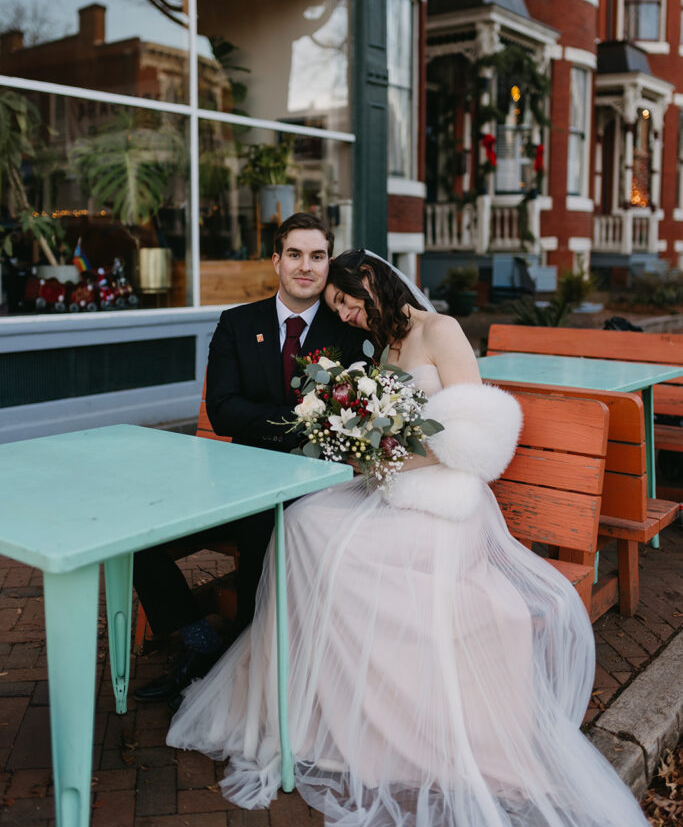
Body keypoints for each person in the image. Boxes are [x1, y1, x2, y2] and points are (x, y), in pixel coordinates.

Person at [166, 250, 649, 827]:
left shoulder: (441, 331)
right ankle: (321, 709)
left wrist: (393, 457)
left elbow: (481, 434)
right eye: (336, 307)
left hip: (446, 502)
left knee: (339, 550)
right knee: (300, 525)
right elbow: (380, 426)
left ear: (370, 282)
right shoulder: (381, 347)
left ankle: (379, 724)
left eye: (346, 301)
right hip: (390, 488)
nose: (343, 314)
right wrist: (362, 445)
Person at [133, 215, 366, 707]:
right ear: (276, 260)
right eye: (296, 255)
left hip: (312, 485)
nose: (307, 267)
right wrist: (301, 416)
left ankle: (245, 658)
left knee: (264, 531)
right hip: (236, 480)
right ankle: (200, 640)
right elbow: (222, 409)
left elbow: (347, 417)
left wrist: (269, 421)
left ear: (329, 264)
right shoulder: (238, 324)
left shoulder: (346, 328)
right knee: (138, 534)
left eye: (318, 256)